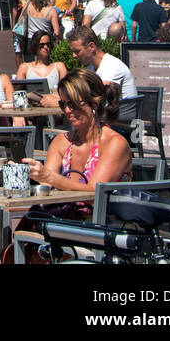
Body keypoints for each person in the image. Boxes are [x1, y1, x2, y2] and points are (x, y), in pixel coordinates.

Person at [25, 69, 132, 213]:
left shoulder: (114, 143)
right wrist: (29, 174)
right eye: (63, 104)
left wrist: (50, 178)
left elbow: (94, 193)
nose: (67, 110)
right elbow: (47, 184)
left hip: (101, 226)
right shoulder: (61, 142)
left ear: (95, 104)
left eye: (73, 104)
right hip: (64, 222)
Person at [69, 25, 139, 121]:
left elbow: (98, 96)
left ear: (91, 46)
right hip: (105, 119)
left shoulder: (111, 66)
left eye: (77, 51)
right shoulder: (91, 68)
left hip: (119, 124)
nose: (73, 55)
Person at [16, 29, 67, 107]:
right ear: (35, 47)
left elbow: (67, 92)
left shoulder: (59, 66)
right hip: (33, 112)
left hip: (55, 111)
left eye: (48, 44)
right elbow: (17, 95)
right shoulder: (25, 67)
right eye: (42, 45)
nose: (46, 47)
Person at [10, 0, 33, 68]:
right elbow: (14, 8)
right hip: (19, 24)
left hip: (30, 23)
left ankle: (29, 71)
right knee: (17, 50)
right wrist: (14, 24)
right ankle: (20, 71)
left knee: (29, 50)